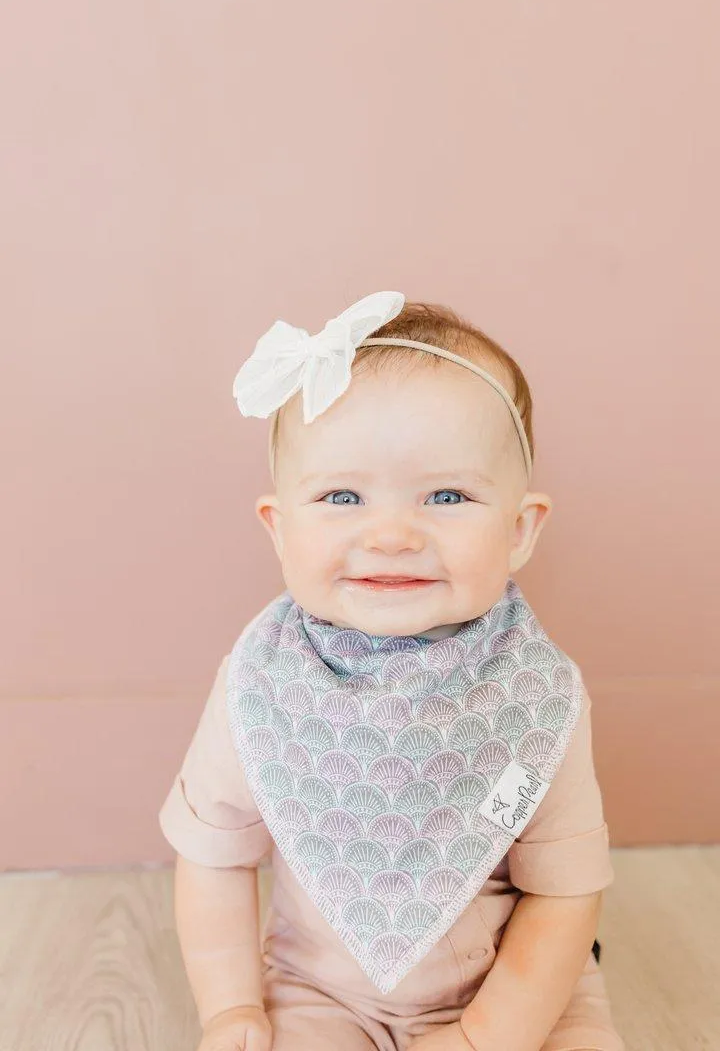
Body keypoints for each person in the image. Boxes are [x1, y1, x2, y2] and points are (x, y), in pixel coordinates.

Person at [159, 292, 624, 1051]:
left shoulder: (536, 696)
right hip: (322, 990)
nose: (392, 535)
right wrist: (231, 1008)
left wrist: (486, 1036)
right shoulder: (263, 685)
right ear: (281, 529)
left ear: (519, 529)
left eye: (447, 495)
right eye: (342, 496)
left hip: (518, 986)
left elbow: (562, 893)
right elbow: (214, 858)